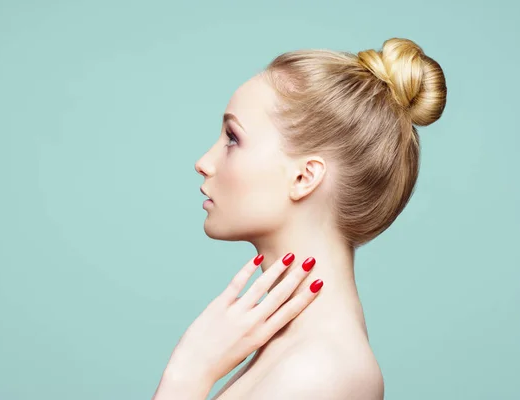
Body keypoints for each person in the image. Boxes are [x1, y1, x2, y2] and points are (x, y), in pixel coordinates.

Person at [154, 37, 447, 399]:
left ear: (304, 177)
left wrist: (187, 374)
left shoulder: (320, 373)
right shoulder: (292, 353)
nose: (204, 162)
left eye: (232, 138)